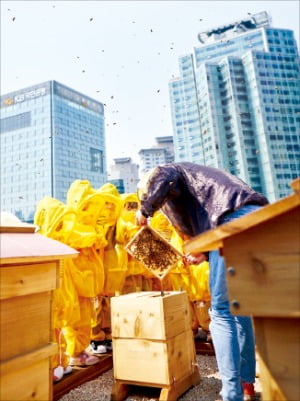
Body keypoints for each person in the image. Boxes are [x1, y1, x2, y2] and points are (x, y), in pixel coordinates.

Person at [135, 162, 268, 401]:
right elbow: (206, 223)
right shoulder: (196, 183)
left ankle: (232, 395)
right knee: (240, 308)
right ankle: (246, 384)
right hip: (255, 220)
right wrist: (204, 254)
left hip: (231, 223)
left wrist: (144, 209)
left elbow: (165, 178)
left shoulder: (168, 172)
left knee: (221, 312)